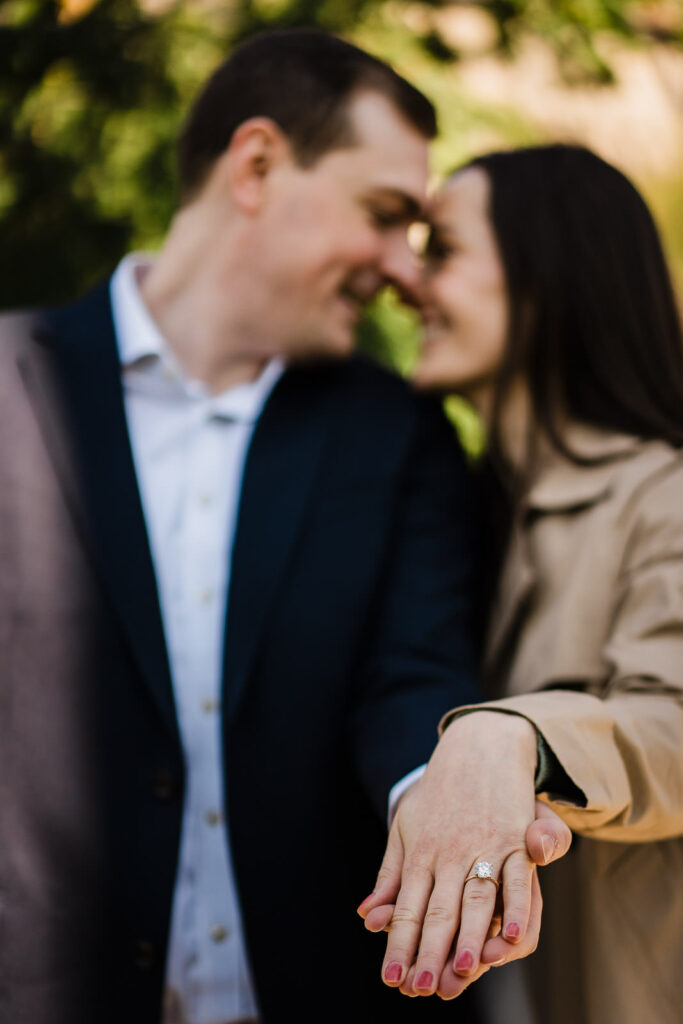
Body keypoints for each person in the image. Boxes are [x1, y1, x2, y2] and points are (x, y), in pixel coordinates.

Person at [0, 31, 571, 1024]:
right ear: (256, 166)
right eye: (384, 215)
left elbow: (412, 670)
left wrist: (441, 801)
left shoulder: (397, 434)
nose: (403, 269)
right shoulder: (11, 385)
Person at [360, 144, 683, 1023]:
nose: (404, 280)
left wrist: (515, 738)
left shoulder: (666, 496)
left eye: (443, 249)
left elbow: (674, 724)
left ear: (546, 278)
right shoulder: (462, 518)